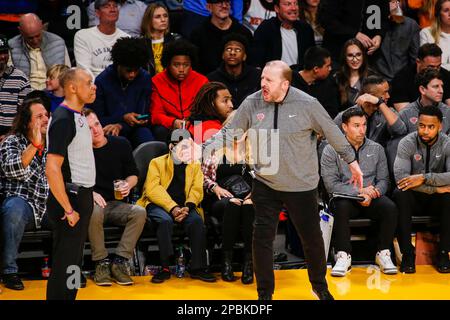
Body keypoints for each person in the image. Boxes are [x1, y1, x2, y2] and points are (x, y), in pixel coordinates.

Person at [204, 60, 364, 300]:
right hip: (266, 183)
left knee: (311, 240)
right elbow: (230, 132)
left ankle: (320, 287)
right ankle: (264, 294)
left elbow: (332, 132)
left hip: (301, 185)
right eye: (262, 79)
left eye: (268, 80)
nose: (262, 84)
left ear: (285, 83)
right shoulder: (252, 102)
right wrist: (204, 148)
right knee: (262, 238)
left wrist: (352, 162)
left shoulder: (307, 104)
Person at [321, 107, 398, 277]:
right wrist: (359, 191)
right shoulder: (331, 149)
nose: (361, 130)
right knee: (341, 207)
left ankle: (383, 253)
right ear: (344, 127)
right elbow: (331, 184)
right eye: (356, 125)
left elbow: (384, 180)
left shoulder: (377, 149)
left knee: (390, 207)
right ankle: (343, 255)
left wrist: (373, 193)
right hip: (345, 198)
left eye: (364, 125)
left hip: (372, 197)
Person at [137, 131, 216, 284]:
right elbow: (152, 190)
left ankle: (197, 267)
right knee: (165, 221)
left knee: (196, 222)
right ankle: (165, 268)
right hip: (159, 205)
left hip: (185, 206)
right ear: (171, 146)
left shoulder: (194, 164)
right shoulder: (157, 163)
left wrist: (187, 207)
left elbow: (197, 189)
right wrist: (172, 207)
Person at [45, 67, 97, 300]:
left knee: (74, 261)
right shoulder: (64, 119)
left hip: (82, 195)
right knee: (66, 263)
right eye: (88, 82)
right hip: (70, 198)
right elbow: (52, 168)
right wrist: (68, 208)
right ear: (73, 88)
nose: (94, 86)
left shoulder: (79, 115)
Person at [84, 108, 146, 286]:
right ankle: (101, 262)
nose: (95, 130)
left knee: (139, 212)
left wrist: (128, 184)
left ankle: (119, 261)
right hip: (94, 204)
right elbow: (73, 182)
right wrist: (90, 193)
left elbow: (133, 173)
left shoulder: (121, 144)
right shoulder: (80, 152)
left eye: (96, 124)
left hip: (116, 203)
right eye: (89, 128)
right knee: (94, 211)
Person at [393, 106, 450, 274]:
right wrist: (435, 189)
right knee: (400, 194)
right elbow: (402, 180)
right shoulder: (407, 143)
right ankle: (408, 254)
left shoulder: (447, 144)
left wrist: (424, 178)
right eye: (421, 125)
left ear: (440, 126)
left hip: (436, 199)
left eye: (430, 127)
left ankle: (443, 253)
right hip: (415, 197)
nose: (425, 130)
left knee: (449, 196)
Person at [0, 97, 49, 291]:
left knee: (72, 210)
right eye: (39, 116)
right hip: (22, 203)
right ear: (27, 122)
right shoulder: (11, 141)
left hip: (47, 203)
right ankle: (9, 271)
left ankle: (69, 269)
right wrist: (34, 145)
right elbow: (15, 170)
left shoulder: (54, 141)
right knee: (14, 210)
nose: (45, 119)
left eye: (46, 115)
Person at [202, 115, 255, 284]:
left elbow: (265, 178)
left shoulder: (254, 150)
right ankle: (227, 263)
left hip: (248, 196)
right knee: (232, 205)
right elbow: (201, 177)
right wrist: (214, 187)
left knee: (247, 206)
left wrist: (254, 194)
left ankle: (249, 264)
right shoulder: (214, 149)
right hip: (219, 197)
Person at [90, 37, 154, 149]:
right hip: (108, 128)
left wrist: (121, 125)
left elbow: (144, 115)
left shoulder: (144, 78)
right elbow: (97, 117)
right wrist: (122, 118)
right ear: (118, 64)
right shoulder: (102, 81)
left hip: (135, 128)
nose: (132, 75)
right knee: (115, 138)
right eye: (128, 70)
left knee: (145, 136)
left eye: (136, 70)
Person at [150, 40, 208, 143]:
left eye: (186, 65)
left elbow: (205, 111)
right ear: (168, 64)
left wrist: (190, 122)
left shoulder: (201, 81)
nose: (181, 69)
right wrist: (173, 122)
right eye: (176, 65)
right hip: (169, 127)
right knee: (160, 131)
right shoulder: (157, 81)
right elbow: (156, 114)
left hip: (195, 124)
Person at [333, 75, 402, 147]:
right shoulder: (344, 116)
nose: (388, 96)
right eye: (385, 92)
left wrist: (379, 102)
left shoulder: (388, 113)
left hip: (378, 156)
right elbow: (328, 141)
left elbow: (400, 131)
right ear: (371, 96)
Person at [8, 13, 71, 90]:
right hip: (25, 93)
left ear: (42, 25)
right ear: (20, 31)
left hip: (53, 92)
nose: (35, 41)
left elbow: (68, 73)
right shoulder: (12, 45)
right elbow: (10, 78)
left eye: (38, 36)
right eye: (30, 38)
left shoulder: (57, 42)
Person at [190, 0, 253, 75]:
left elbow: (250, 65)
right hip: (207, 83)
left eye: (227, 2)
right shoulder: (197, 34)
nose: (224, 6)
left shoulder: (244, 33)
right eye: (219, 2)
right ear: (209, 7)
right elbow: (195, 68)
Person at [318, 0, 389, 62]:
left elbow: (384, 17)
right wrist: (354, 34)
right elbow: (326, 19)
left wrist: (379, 35)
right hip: (338, 53)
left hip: (368, 55)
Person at [251, 0, 315, 68]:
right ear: (277, 8)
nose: (294, 8)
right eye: (288, 4)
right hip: (273, 76)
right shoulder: (266, 29)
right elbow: (256, 62)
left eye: (295, 4)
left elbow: (312, 60)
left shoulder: (306, 29)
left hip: (299, 76)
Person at [74, 0, 130, 77]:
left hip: (118, 84)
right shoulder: (83, 36)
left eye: (115, 6)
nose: (112, 9)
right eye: (106, 6)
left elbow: (126, 71)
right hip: (92, 85)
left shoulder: (126, 38)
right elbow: (84, 71)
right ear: (97, 13)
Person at [207, 33, 261, 108]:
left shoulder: (257, 76)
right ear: (222, 55)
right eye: (228, 49)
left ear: (244, 56)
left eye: (238, 50)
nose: (232, 53)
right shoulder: (212, 79)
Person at [390, 43, 450, 111]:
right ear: (418, 62)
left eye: (438, 66)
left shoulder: (446, 75)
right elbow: (405, 115)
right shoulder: (401, 79)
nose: (435, 70)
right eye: (431, 67)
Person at [374, 0, 420, 81]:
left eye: (397, 1)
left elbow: (414, 57)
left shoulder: (411, 25)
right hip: (379, 76)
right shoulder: (375, 24)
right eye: (391, 2)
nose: (395, 4)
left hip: (403, 77)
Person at [397, 67, 450, 136]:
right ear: (422, 90)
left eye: (441, 86)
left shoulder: (448, 112)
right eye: (436, 86)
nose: (441, 91)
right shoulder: (406, 114)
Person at [291, 46, 339, 118]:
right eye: (327, 66)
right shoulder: (290, 81)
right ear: (316, 69)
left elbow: (332, 113)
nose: (330, 69)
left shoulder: (328, 84)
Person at [0, 34, 31, 138]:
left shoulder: (20, 77)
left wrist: (10, 135)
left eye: (5, 52)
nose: (3, 56)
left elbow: (25, 111)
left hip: (11, 133)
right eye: (0, 53)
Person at [140, 3, 181, 75]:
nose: (163, 19)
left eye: (165, 16)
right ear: (149, 20)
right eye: (158, 17)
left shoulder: (176, 40)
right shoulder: (140, 43)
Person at [334, 38, 374, 111]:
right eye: (350, 55)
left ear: (363, 56)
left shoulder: (372, 77)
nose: (355, 59)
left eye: (358, 54)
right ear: (345, 57)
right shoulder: (337, 78)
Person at [420, 0, 450, 70]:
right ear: (438, 14)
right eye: (446, 10)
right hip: (435, 78)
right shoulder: (426, 33)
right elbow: (426, 64)